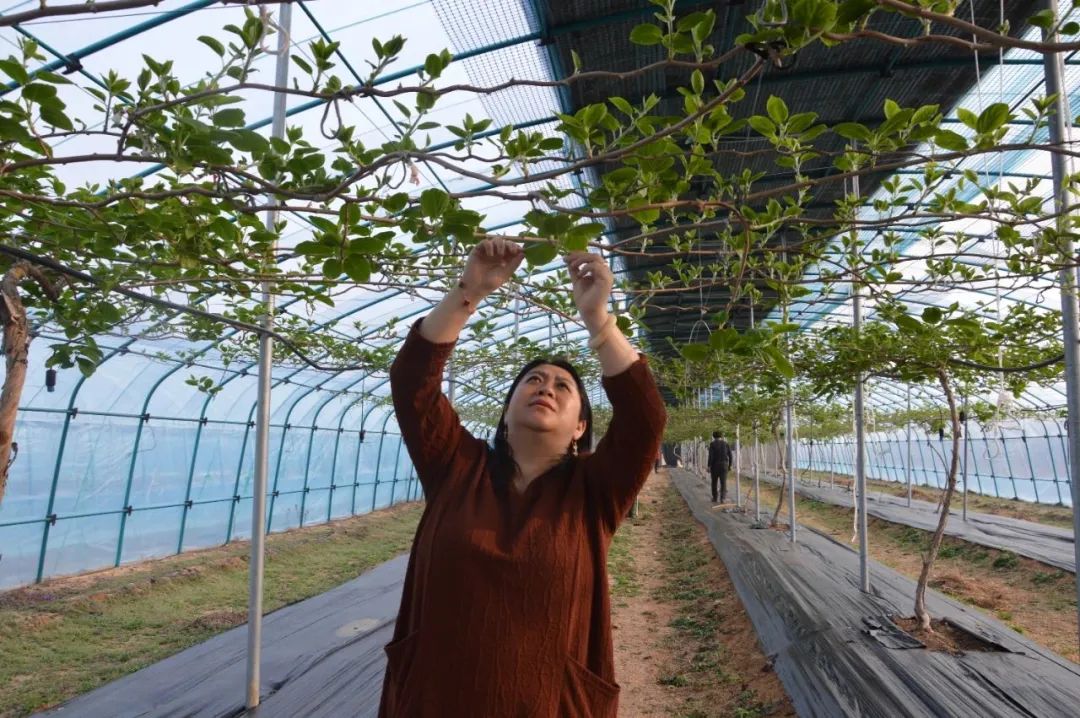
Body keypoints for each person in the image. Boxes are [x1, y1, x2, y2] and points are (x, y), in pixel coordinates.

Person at [380, 238, 667, 717]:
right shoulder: (456, 467)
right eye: (532, 380)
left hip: (551, 705)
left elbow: (645, 419)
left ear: (581, 427)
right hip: (434, 701)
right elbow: (413, 381)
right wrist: (469, 291)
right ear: (507, 410)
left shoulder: (594, 493)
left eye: (562, 386)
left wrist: (599, 320)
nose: (545, 387)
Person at [707, 430, 733, 504]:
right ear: (721, 436)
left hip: (715, 465)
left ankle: (715, 498)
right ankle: (723, 498)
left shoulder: (712, 444)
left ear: (713, 436)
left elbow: (711, 456)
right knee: (723, 482)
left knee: (714, 482)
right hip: (724, 465)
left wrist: (709, 466)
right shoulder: (725, 444)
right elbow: (730, 455)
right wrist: (730, 465)